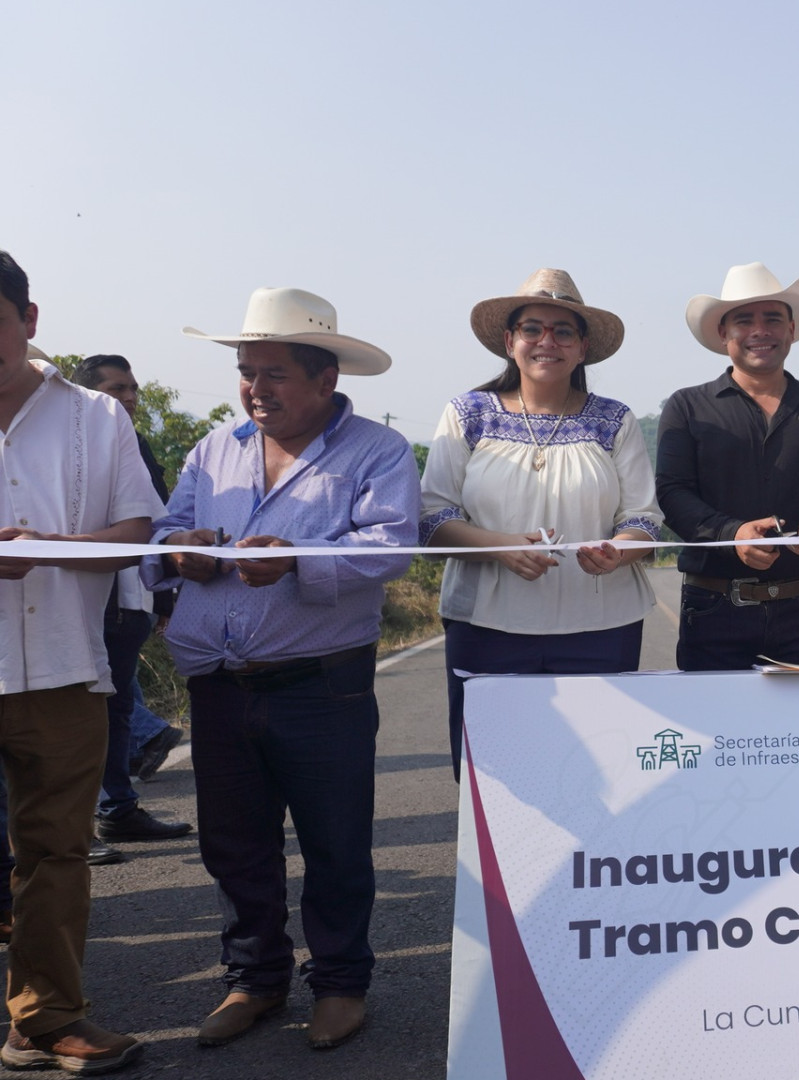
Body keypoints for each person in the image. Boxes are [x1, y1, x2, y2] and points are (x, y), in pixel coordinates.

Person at [149, 286, 420, 1049]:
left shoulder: (378, 451)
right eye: (246, 371)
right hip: (220, 683)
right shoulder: (215, 448)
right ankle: (254, 979)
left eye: (274, 374)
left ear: (326, 379)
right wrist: (181, 554)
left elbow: (392, 547)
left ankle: (339, 984)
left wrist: (300, 561)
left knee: (335, 840)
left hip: (320, 683)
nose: (255, 390)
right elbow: (168, 528)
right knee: (234, 843)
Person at [0, 250, 159, 1073]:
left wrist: (49, 547)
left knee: (55, 853)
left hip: (63, 668)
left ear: (29, 320)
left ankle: (45, 1017)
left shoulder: (96, 417)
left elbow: (136, 533)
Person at [421, 270, 661, 765]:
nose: (546, 341)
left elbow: (644, 520)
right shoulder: (468, 414)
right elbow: (431, 516)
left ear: (582, 347)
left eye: (563, 331)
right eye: (532, 328)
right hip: (487, 627)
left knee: (601, 769)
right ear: (510, 341)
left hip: (601, 628)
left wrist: (617, 552)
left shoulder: (614, 420)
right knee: (495, 772)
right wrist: (500, 546)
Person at [657, 263, 799, 670]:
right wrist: (731, 533)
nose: (759, 331)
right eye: (744, 320)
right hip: (713, 608)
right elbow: (673, 492)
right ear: (723, 333)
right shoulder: (687, 407)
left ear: (791, 330)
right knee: (717, 728)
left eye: (772, 319)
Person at [71, 356, 193, 855]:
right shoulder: (73, 439)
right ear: (87, 394)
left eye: (134, 388)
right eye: (117, 388)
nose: (130, 398)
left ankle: (115, 808)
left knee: (117, 709)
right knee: (82, 712)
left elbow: (154, 526)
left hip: (130, 596)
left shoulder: (129, 440)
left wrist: (163, 594)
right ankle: (81, 821)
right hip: (86, 597)